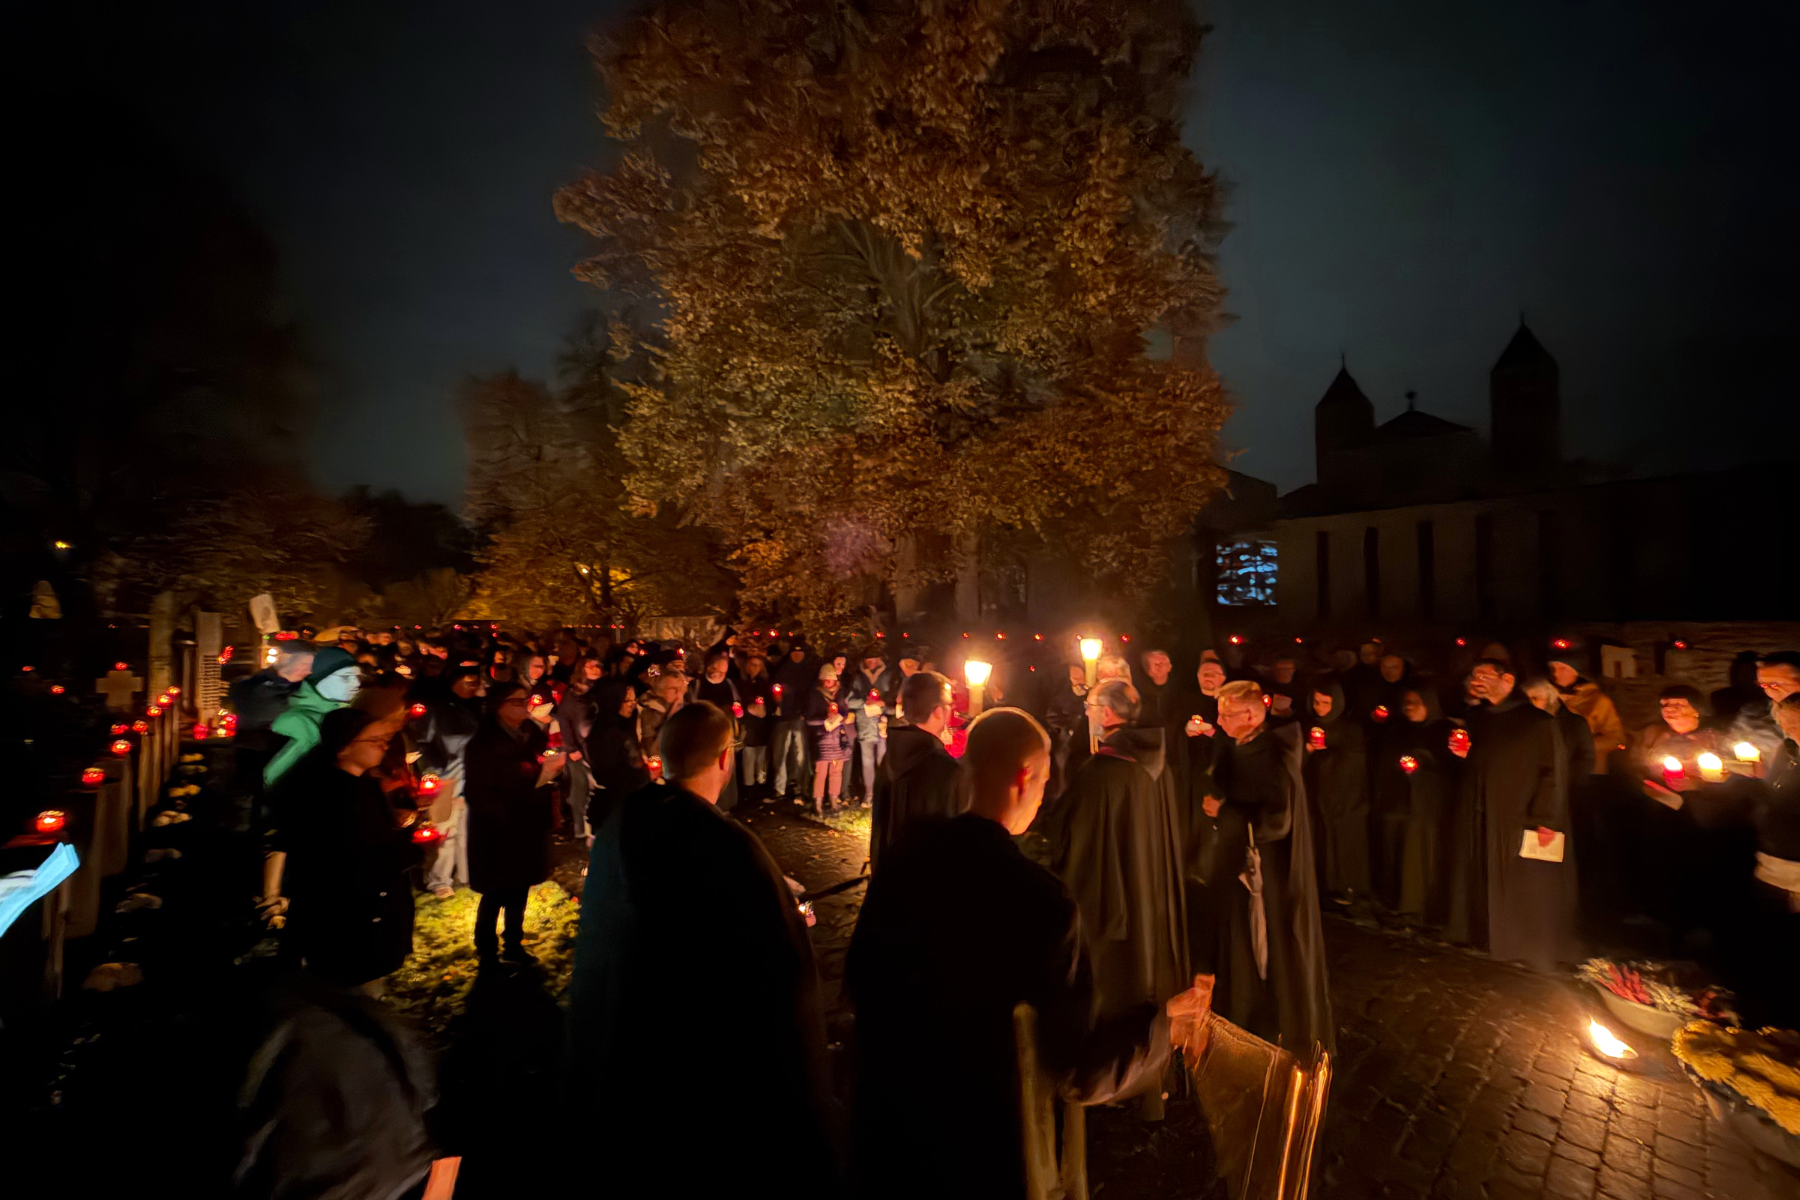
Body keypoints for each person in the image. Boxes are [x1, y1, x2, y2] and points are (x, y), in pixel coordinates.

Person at [847, 707, 1172, 1200]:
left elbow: (859, 978)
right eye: (1044, 782)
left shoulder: (906, 859)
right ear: (1024, 777)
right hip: (981, 1153)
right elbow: (1078, 1068)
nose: (1043, 797)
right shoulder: (1039, 900)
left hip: (887, 1135)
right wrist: (1162, 1027)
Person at [566, 702, 837, 1197]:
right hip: (710, 1082)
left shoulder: (624, 826)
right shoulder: (727, 844)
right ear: (724, 760)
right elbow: (779, 981)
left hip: (628, 1071)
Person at [1049, 679, 1188, 1042]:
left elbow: (1073, 845)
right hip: (1151, 894)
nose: (1087, 712)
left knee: (1120, 984)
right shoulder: (1157, 765)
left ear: (1107, 714)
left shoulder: (1102, 775)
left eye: (1090, 706)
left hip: (1117, 904)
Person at [1209, 680, 1334, 1054]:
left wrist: (1226, 812)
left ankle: (1281, 1021)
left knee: (1275, 945)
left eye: (1227, 714)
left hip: (1273, 874)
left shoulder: (1274, 754)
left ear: (1251, 715)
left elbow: (1279, 820)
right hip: (1244, 862)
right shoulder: (1241, 747)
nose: (1219, 722)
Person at [262, 709, 420, 992]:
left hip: (367, 918)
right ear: (344, 747)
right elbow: (358, 860)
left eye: (384, 739)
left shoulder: (362, 785)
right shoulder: (330, 796)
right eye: (374, 741)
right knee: (354, 999)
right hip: (349, 926)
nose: (384, 746)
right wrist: (418, 846)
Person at [1445, 660, 1576, 974]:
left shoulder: (1537, 722)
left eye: (1483, 674)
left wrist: (1546, 817)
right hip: (1482, 809)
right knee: (1483, 872)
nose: (1476, 680)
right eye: (1473, 674)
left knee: (1522, 880)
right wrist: (1465, 755)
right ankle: (1484, 935)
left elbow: (1552, 771)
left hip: (1520, 813)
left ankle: (1522, 944)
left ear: (1507, 679)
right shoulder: (1478, 718)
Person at [463, 683, 564, 964]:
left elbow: (538, 763)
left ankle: (513, 943)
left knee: (520, 888)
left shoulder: (531, 733)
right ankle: (486, 950)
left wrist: (549, 770)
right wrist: (504, 814)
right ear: (498, 706)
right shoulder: (483, 743)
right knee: (496, 891)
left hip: (528, 822)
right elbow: (479, 791)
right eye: (516, 701)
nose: (524, 706)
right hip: (498, 828)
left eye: (525, 701)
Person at [870, 670, 961, 872]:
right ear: (938, 711)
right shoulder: (944, 769)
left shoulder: (892, 756)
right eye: (949, 705)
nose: (951, 711)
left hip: (886, 882)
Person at [413, 664, 484, 898]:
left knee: (467, 830)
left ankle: (465, 875)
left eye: (476, 682)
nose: (473, 687)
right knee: (444, 830)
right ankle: (439, 879)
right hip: (447, 778)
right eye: (467, 682)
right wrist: (435, 772)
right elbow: (422, 742)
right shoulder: (438, 709)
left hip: (473, 777)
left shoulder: (478, 707)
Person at [1393, 688, 1460, 926]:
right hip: (1413, 801)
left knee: (1432, 851)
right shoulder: (1403, 730)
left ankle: (1433, 907)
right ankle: (1412, 905)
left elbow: (1451, 766)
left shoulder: (1445, 731)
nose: (1408, 706)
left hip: (1436, 803)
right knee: (1413, 850)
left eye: (1415, 701)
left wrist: (1421, 764)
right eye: (1406, 701)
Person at [1301, 682, 1372, 905]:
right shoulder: (1307, 725)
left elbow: (1354, 762)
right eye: (1317, 703)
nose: (1321, 708)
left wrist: (1327, 754)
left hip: (1345, 797)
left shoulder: (1349, 729)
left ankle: (1348, 887)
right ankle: (1324, 886)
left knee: (1344, 841)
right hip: (1316, 796)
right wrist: (1309, 751)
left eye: (1326, 703)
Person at [231, 642, 315, 827]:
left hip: (287, 754)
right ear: (286, 660)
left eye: (311, 666)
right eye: (304, 663)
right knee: (255, 803)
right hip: (257, 752)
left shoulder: (303, 688)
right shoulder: (257, 685)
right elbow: (262, 710)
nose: (307, 670)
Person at [263, 647, 362, 789]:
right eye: (346, 677)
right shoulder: (295, 720)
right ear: (320, 679)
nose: (356, 684)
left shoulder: (348, 716)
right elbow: (272, 779)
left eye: (358, 677)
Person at [581, 679, 650, 836]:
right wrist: (640, 773)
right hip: (616, 806)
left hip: (631, 800)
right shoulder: (604, 734)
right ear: (612, 700)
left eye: (634, 699)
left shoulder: (625, 724)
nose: (633, 704)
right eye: (627, 700)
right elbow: (609, 773)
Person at [1547, 650, 1623, 772]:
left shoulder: (1598, 700)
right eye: (1553, 668)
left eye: (1562, 668)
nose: (1556, 673)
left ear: (1576, 671)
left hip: (1586, 770)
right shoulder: (1545, 697)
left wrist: (1584, 744)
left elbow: (1616, 739)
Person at [557, 654, 605, 842]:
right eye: (590, 666)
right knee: (580, 790)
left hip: (596, 747)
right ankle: (580, 829)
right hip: (578, 749)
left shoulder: (599, 691)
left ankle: (595, 827)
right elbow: (564, 719)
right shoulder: (573, 694)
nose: (595, 669)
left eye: (597, 666)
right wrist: (571, 748)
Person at [842, 649, 894, 806]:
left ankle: (884, 794)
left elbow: (894, 702)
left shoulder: (888, 676)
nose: (872, 661)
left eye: (875, 658)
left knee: (883, 761)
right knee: (867, 761)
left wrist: (882, 704)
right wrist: (865, 703)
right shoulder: (858, 678)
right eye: (869, 659)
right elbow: (849, 701)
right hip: (865, 725)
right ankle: (870, 794)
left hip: (883, 724)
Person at [805, 663, 855, 813]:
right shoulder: (815, 695)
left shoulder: (840, 694)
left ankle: (834, 800)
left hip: (838, 740)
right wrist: (825, 721)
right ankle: (818, 803)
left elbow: (846, 712)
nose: (828, 683)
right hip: (823, 739)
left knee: (836, 772)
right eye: (825, 680)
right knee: (821, 772)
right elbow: (809, 718)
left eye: (831, 680)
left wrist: (845, 718)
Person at [771, 641, 818, 798]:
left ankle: (799, 786)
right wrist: (776, 699)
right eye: (794, 653)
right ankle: (779, 787)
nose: (797, 655)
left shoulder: (808, 672)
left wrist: (805, 712)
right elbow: (775, 689)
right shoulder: (782, 670)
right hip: (783, 717)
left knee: (800, 754)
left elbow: (811, 694)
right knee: (780, 753)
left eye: (800, 653)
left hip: (800, 717)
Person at [739, 655, 773, 800]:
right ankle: (749, 788)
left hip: (762, 727)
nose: (754, 668)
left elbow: (771, 703)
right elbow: (738, 701)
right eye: (752, 664)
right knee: (748, 758)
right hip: (749, 726)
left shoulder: (765, 684)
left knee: (761, 759)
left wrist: (764, 710)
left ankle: (760, 786)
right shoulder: (742, 683)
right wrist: (748, 709)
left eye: (758, 665)